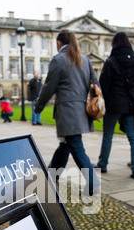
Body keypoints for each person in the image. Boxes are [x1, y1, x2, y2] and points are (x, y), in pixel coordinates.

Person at [35, 29, 99, 196]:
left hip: (67, 111)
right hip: (80, 110)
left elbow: (49, 87)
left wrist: (39, 106)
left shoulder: (59, 59)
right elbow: (96, 84)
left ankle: (93, 181)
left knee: (75, 145)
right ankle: (51, 176)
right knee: (65, 145)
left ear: (59, 43)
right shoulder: (85, 60)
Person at [93, 32, 134, 180]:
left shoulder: (111, 62)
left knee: (108, 135)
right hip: (130, 103)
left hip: (114, 103)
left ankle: (103, 164)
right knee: (133, 136)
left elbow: (103, 85)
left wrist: (104, 102)